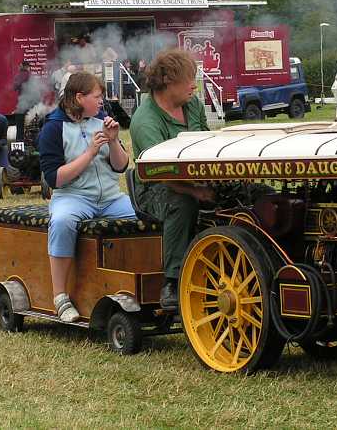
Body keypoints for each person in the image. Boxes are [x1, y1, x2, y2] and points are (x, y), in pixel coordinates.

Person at [38, 72, 136, 322]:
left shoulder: (102, 120)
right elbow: (55, 179)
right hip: (72, 197)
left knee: (140, 216)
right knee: (61, 222)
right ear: (79, 98)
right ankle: (60, 297)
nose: (102, 101)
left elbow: (121, 166)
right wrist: (90, 152)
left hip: (111, 198)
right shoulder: (53, 128)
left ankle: (136, 286)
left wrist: (114, 143)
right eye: (97, 96)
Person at [129, 49, 214, 310]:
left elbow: (210, 143)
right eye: (188, 79)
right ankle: (173, 281)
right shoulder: (145, 121)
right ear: (167, 82)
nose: (194, 85)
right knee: (182, 202)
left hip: (197, 177)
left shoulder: (194, 105)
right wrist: (197, 192)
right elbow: (162, 173)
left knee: (252, 192)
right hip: (156, 188)